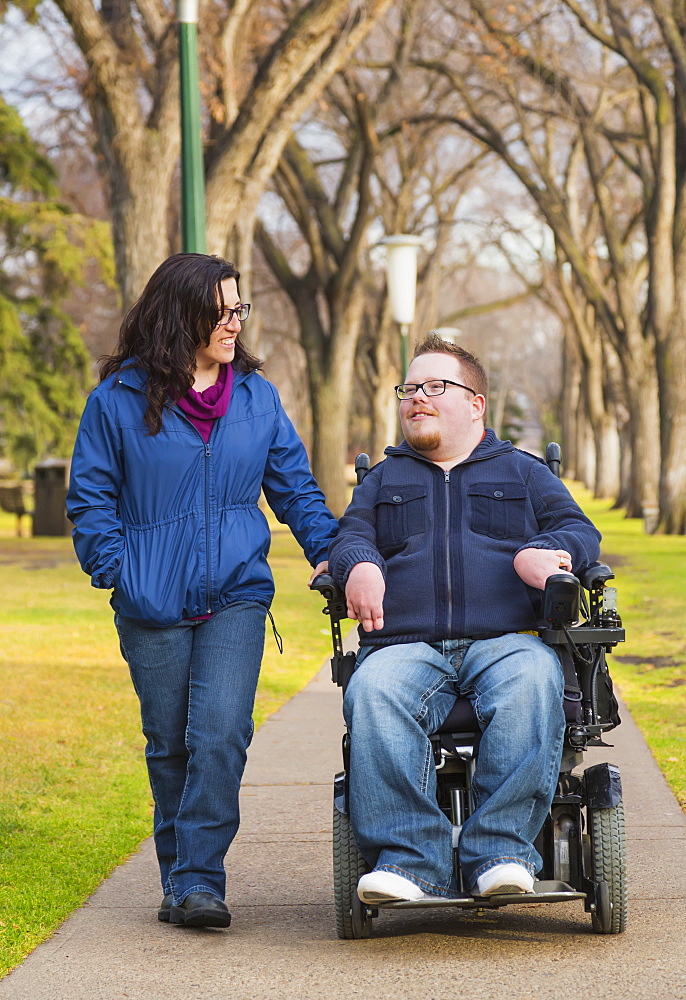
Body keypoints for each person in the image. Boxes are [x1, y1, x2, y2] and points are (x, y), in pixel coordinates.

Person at [67, 253, 337, 928]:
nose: (232, 322)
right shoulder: (118, 399)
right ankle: (179, 880)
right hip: (150, 599)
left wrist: (333, 553)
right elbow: (91, 499)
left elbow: (295, 489)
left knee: (219, 734)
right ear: (177, 314)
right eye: (220, 310)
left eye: (238, 309)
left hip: (237, 593)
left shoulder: (255, 396)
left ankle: (197, 881)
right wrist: (118, 569)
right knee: (171, 746)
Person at [327, 333, 601, 903]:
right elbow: (351, 535)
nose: (416, 398)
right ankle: (409, 862)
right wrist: (358, 565)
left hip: (505, 639)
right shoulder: (384, 479)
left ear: (475, 404)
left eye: (435, 386)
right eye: (410, 389)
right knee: (374, 689)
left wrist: (544, 552)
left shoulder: (523, 473)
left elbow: (580, 530)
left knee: (533, 678)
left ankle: (500, 854)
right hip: (404, 645)